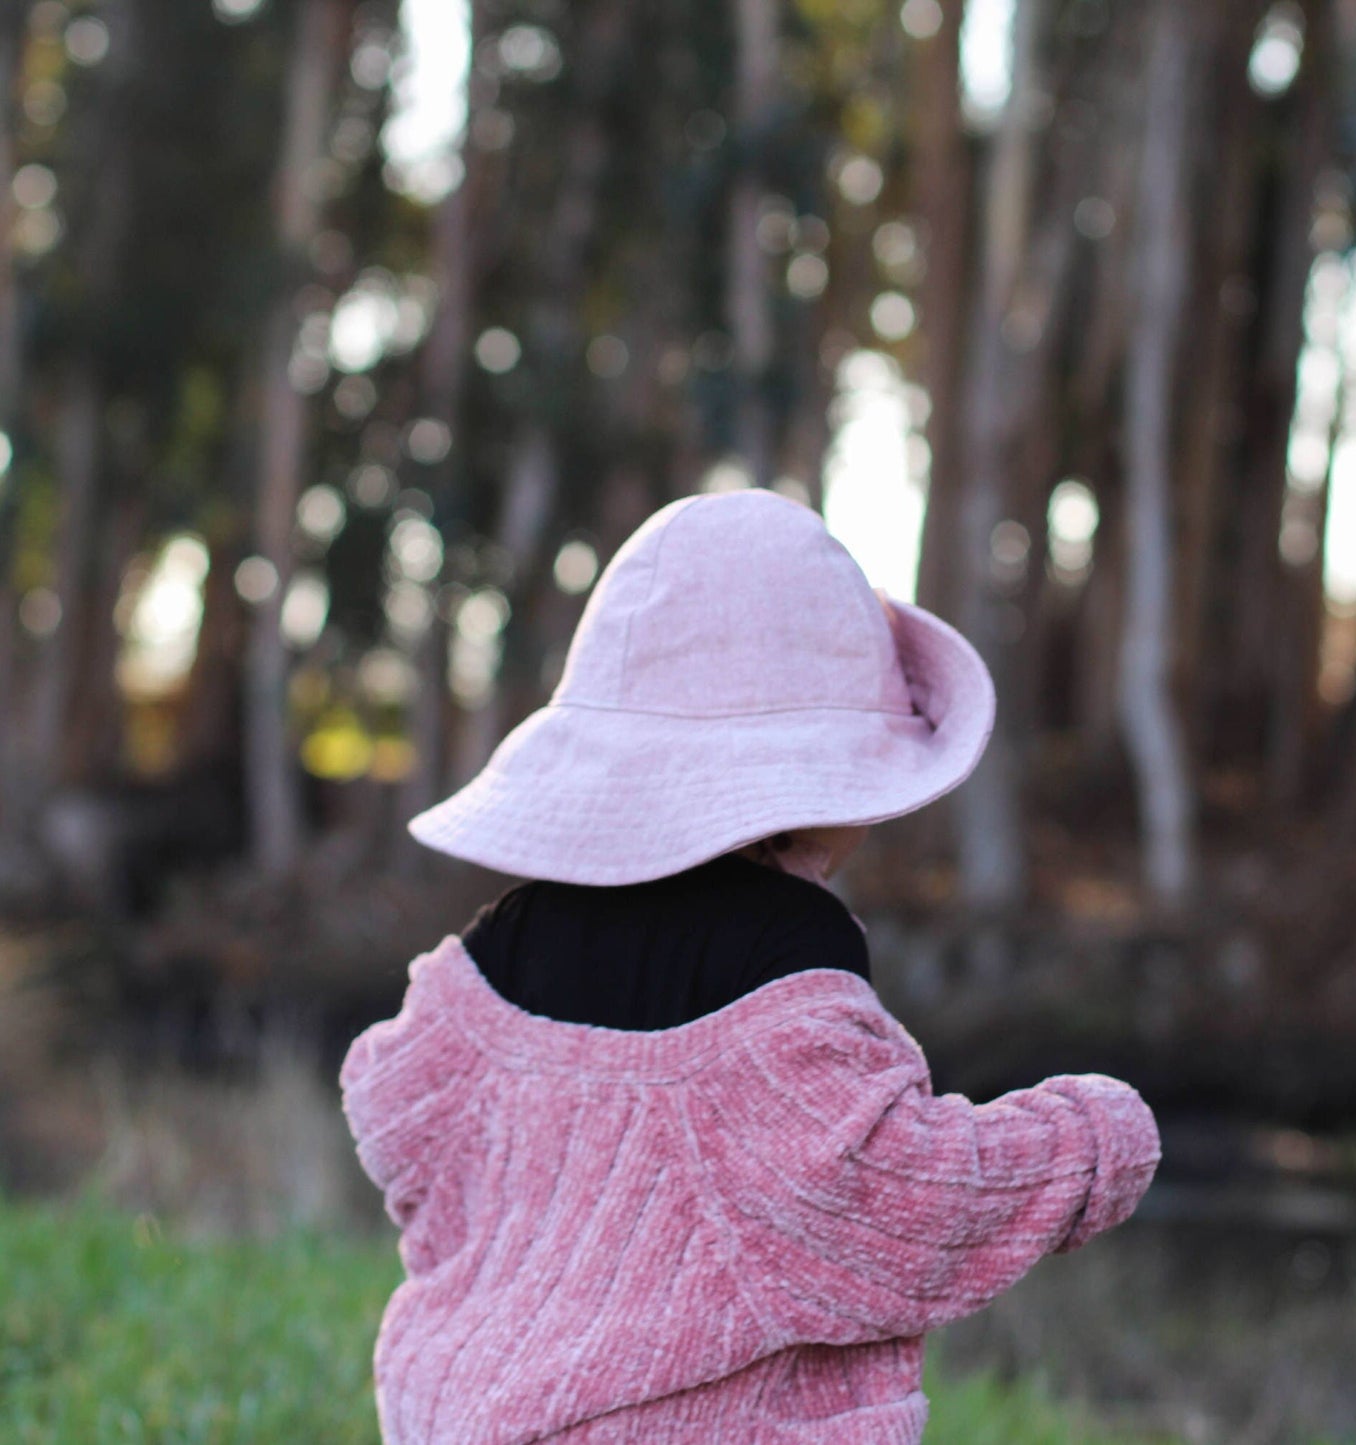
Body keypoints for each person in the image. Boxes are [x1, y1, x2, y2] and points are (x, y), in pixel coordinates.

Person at [340, 489, 1160, 1444]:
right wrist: (1092, 1137)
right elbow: (881, 1198)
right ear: (824, 792)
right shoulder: (788, 944)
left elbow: (392, 1103)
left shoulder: (505, 934)